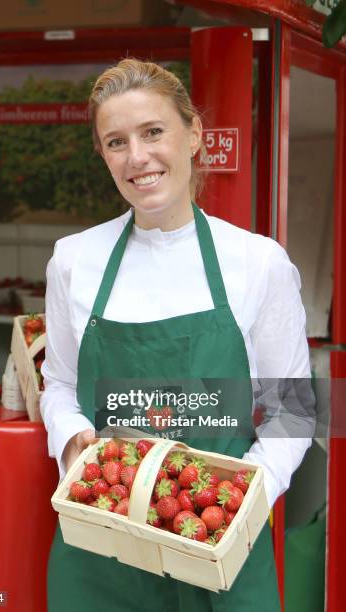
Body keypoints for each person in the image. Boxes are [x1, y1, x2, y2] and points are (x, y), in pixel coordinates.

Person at [41, 58, 312, 611]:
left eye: (153, 132)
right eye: (116, 142)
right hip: (103, 550)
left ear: (194, 136)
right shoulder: (74, 260)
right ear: (104, 156)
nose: (137, 157)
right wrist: (72, 441)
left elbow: (293, 410)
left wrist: (239, 501)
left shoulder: (257, 263)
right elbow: (60, 383)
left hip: (220, 553)